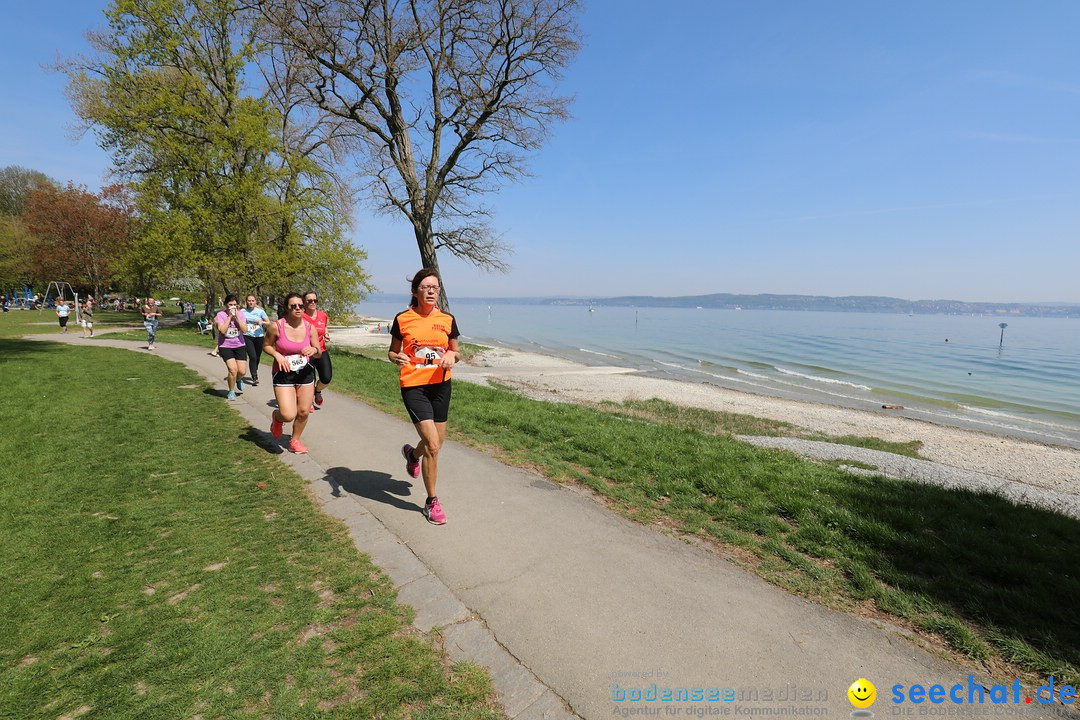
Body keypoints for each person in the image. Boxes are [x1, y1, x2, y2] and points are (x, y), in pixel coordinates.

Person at [388, 269, 461, 525]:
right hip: (414, 386)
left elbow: (456, 352)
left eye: (436, 287)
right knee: (432, 444)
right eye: (426, 287)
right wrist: (397, 357)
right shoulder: (403, 319)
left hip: (441, 385)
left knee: (435, 445)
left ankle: (412, 456)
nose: (432, 291)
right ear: (415, 291)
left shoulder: (448, 319)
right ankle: (432, 502)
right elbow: (392, 352)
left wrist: (452, 356)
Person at [264, 293, 321, 454]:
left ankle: (295, 440)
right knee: (288, 414)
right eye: (293, 306)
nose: (297, 308)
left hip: (305, 373)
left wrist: (313, 349)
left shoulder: (310, 328)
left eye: (300, 306)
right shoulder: (277, 326)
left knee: (303, 411)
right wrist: (277, 355)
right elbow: (267, 345)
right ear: (287, 308)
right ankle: (277, 417)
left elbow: (319, 352)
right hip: (283, 374)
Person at [301, 290, 332, 409]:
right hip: (307, 352)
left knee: (326, 378)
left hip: (321, 350)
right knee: (309, 378)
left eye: (315, 300)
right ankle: (308, 402)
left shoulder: (322, 315)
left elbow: (325, 328)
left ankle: (317, 391)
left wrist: (326, 334)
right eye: (309, 300)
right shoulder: (301, 316)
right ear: (304, 302)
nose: (312, 302)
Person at [215, 294, 249, 400]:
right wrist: (229, 317)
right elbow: (222, 331)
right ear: (226, 305)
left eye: (235, 305)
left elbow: (244, 330)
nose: (233, 307)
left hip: (239, 345)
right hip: (225, 346)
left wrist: (237, 317)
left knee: (242, 371)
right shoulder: (220, 315)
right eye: (230, 305)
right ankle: (231, 391)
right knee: (233, 370)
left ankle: (238, 379)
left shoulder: (241, 315)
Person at [240, 294, 270, 386]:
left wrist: (262, 322)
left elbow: (268, 322)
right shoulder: (242, 311)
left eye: (252, 301)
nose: (251, 302)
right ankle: (254, 376)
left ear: (255, 301)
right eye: (249, 301)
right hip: (247, 335)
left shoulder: (260, 312)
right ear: (246, 302)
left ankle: (254, 369)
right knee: (252, 356)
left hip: (259, 336)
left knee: (257, 357)